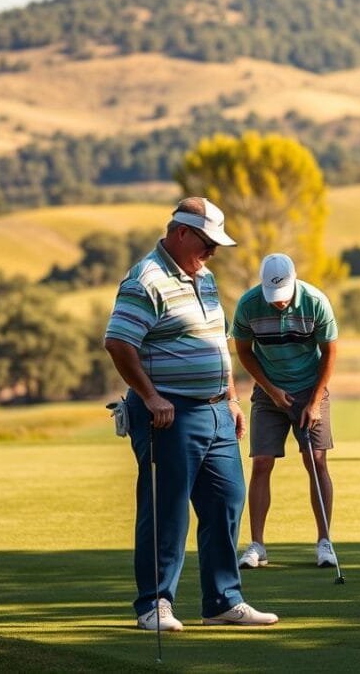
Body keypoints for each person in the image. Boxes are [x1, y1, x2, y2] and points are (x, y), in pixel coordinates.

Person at [104, 197, 278, 631]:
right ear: (181, 233)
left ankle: (223, 601)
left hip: (217, 410)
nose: (213, 251)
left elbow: (217, 342)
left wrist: (233, 398)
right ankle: (155, 604)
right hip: (169, 412)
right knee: (168, 511)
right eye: (207, 242)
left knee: (227, 500)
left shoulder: (204, 277)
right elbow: (118, 342)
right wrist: (149, 396)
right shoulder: (146, 279)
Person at [233, 253, 340, 570]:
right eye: (272, 297)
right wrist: (270, 390)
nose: (278, 303)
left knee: (316, 459)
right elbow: (243, 351)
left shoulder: (315, 302)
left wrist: (315, 400)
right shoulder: (249, 304)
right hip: (269, 391)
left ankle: (324, 542)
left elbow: (330, 351)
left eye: (283, 296)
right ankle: (257, 546)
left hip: (311, 387)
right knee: (262, 462)